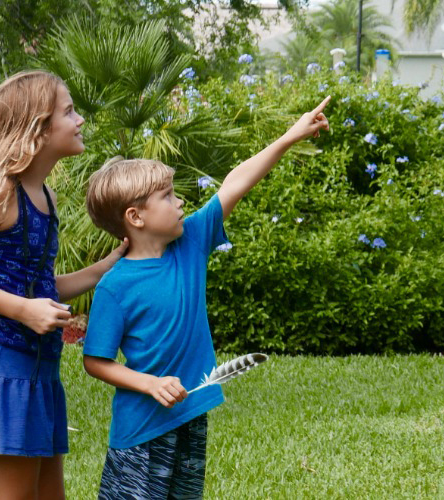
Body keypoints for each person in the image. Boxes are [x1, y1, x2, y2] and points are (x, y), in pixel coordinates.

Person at [81, 98, 330, 499]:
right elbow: (95, 360)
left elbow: (234, 182)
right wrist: (148, 383)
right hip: (142, 430)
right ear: (136, 217)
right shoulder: (116, 285)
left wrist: (288, 137)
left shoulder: (192, 241)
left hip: (190, 416)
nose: (180, 201)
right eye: (167, 196)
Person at [0, 70, 127, 499]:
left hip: (38, 372)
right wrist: (22, 309)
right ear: (38, 128)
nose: (80, 120)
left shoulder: (43, 196)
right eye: (69, 112)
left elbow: (37, 286)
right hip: (2, 367)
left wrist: (103, 268)